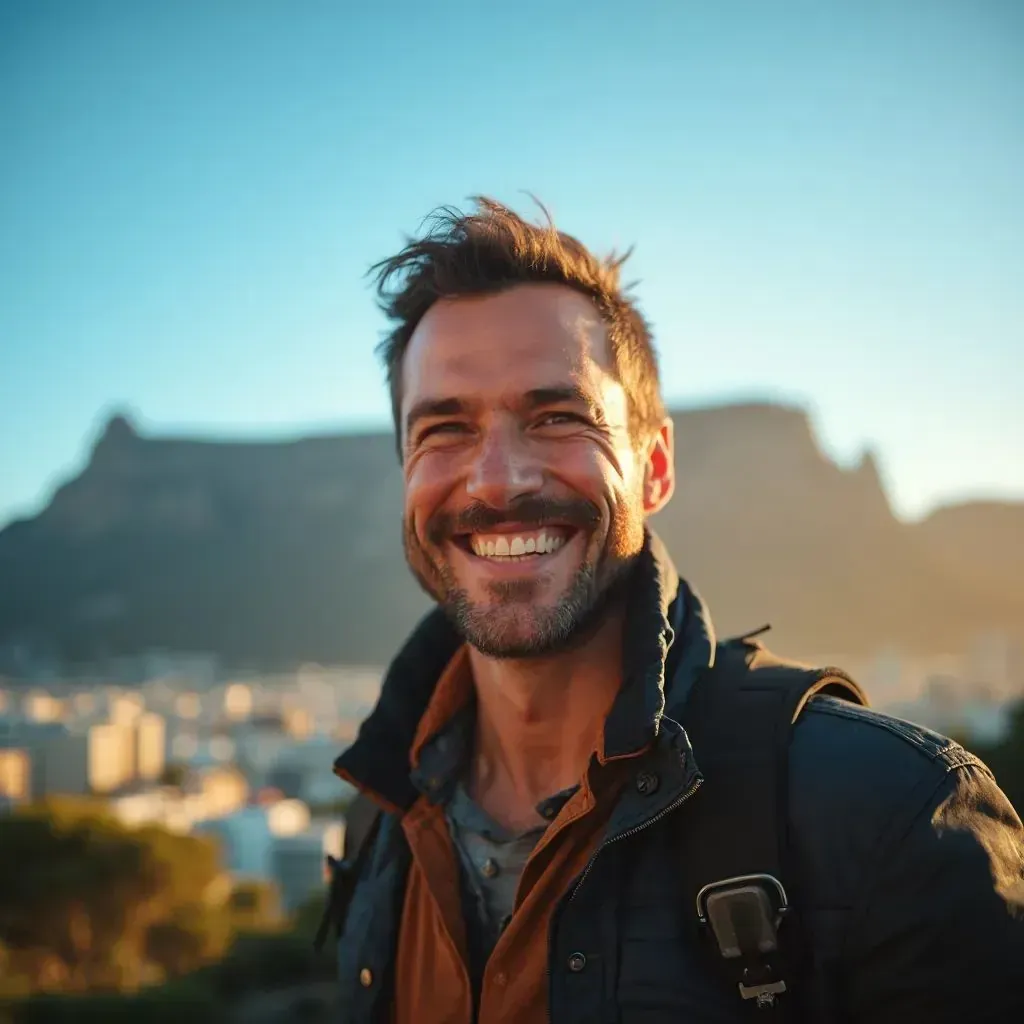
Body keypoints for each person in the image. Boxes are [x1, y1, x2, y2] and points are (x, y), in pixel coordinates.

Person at [329, 198, 1024, 1023]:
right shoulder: (380, 812)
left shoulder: (890, 815)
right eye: (443, 429)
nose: (497, 480)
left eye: (557, 417)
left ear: (654, 467)